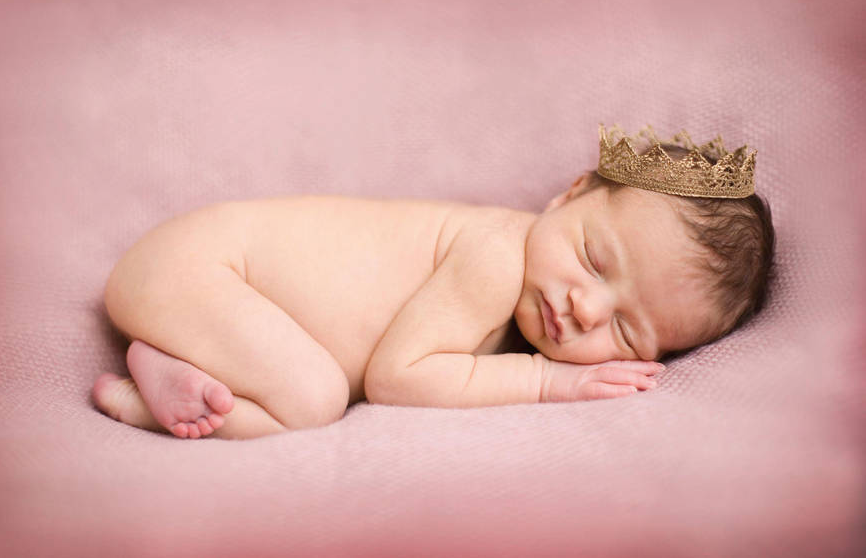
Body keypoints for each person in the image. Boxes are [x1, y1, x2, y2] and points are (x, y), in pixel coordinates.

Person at [92, 124, 775, 439]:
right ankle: (144, 398)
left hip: (203, 286)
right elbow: (398, 375)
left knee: (308, 386)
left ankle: (175, 363)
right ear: (569, 195)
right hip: (199, 269)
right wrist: (545, 382)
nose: (585, 308)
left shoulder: (528, 276)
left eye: (627, 330)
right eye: (595, 258)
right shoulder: (497, 255)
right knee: (313, 397)